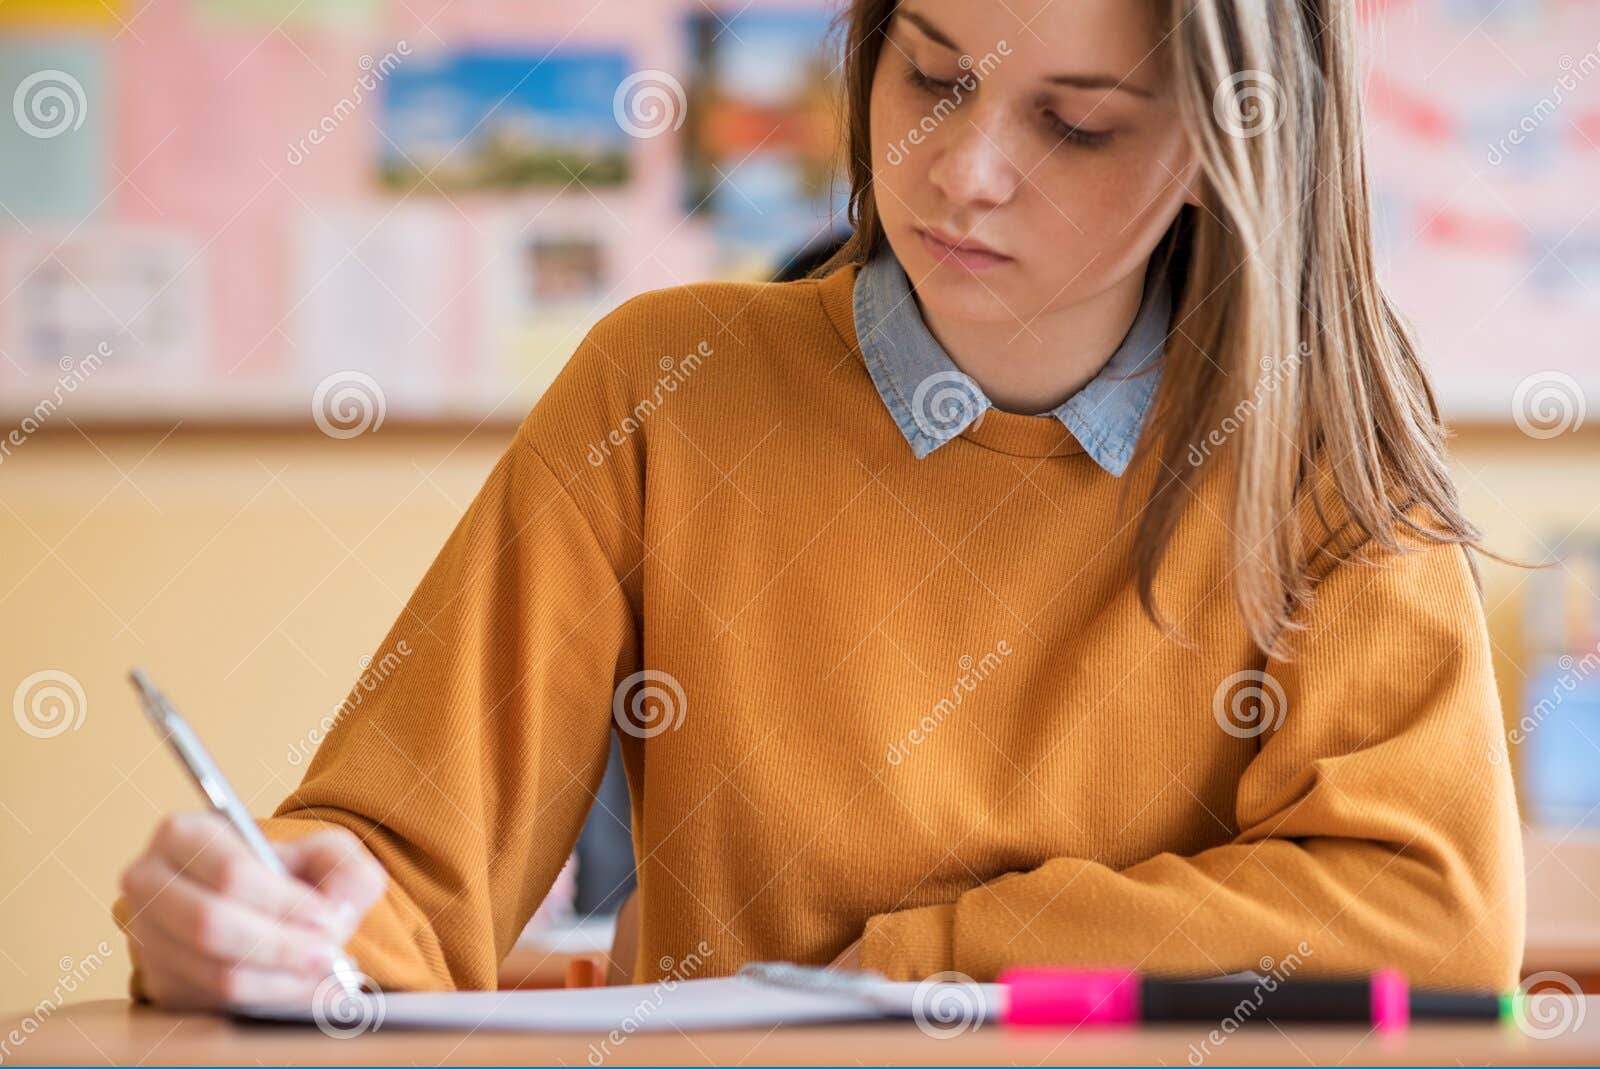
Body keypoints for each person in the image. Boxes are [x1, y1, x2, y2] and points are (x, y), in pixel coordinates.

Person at [114, 0, 1524, 1009]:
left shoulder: (1325, 463)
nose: (965, 173)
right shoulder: (664, 389)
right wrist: (261, 928)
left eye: (1077, 125)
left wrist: (946, 952)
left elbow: (1431, 919)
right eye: (932, 74)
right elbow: (400, 887)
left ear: (1229, 147)